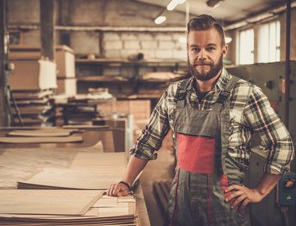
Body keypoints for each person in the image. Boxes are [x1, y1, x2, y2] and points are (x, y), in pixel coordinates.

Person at [107, 14, 294, 225]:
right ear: (188, 51)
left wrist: (260, 191)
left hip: (226, 210)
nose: (201, 55)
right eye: (195, 48)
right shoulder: (174, 93)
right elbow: (147, 140)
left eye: (210, 48)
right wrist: (126, 181)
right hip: (181, 207)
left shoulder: (246, 93)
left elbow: (282, 144)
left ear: (223, 50)